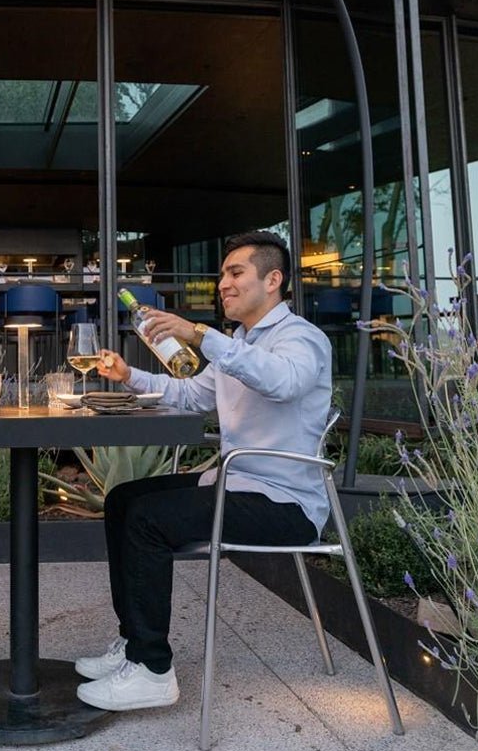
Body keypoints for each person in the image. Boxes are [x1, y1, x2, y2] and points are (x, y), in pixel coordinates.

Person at [75, 231, 332, 713]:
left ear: (273, 280)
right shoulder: (238, 343)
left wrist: (198, 335)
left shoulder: (301, 338)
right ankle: (134, 643)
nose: (223, 284)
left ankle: (152, 670)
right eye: (222, 275)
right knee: (123, 499)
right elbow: (191, 396)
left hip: (285, 504)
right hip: (239, 484)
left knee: (148, 519)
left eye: (236, 273)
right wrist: (128, 376)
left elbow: (283, 383)